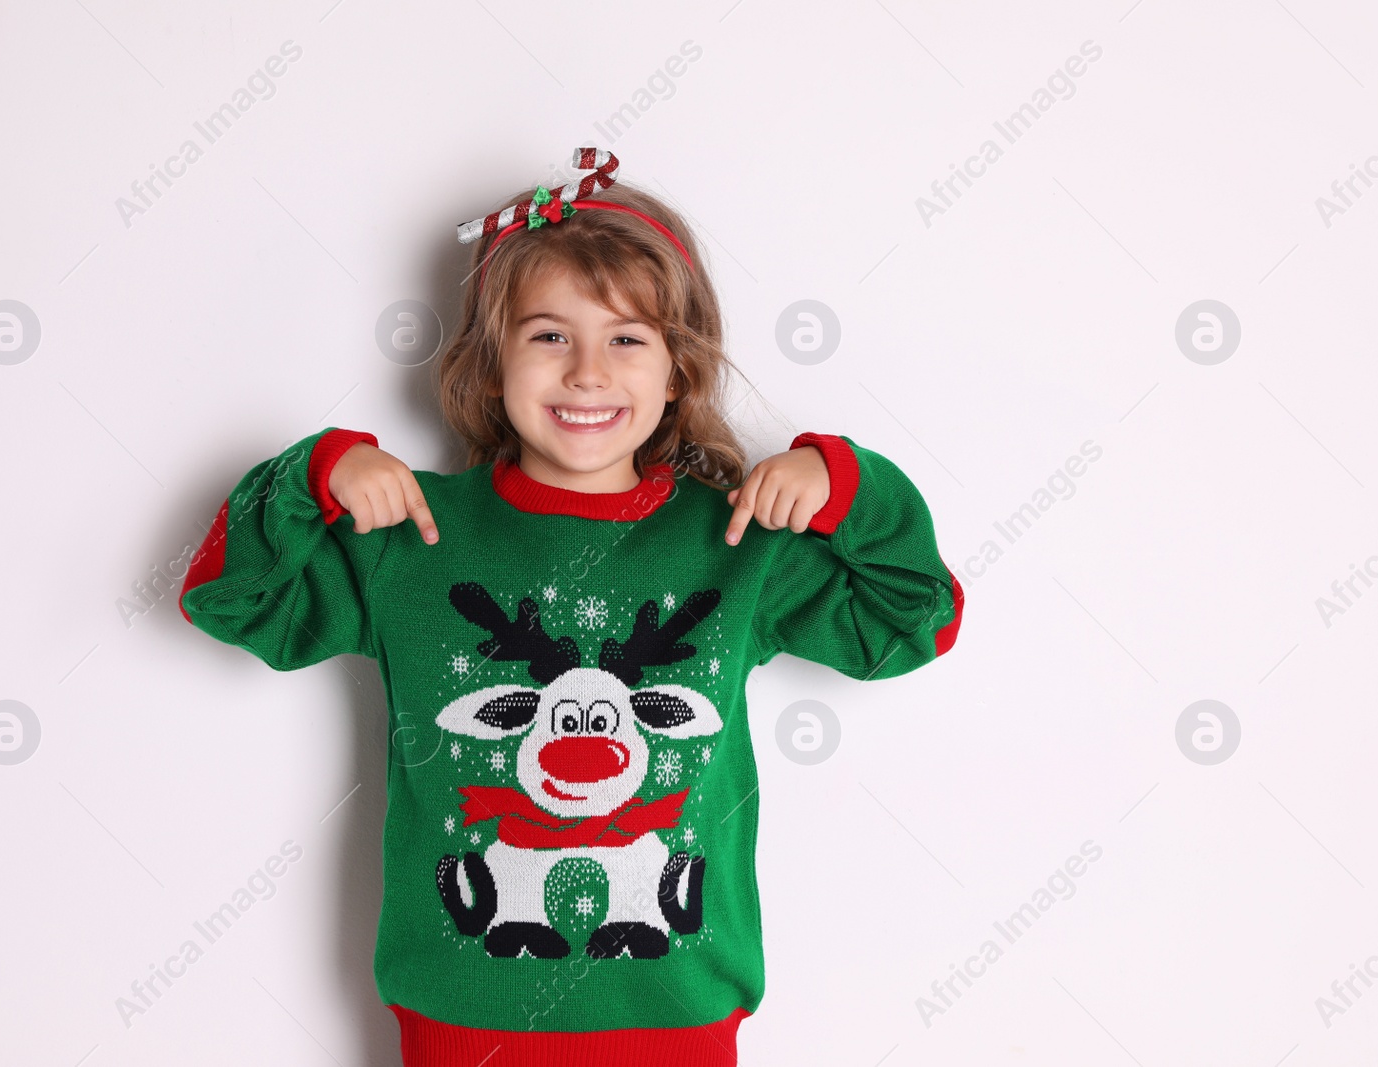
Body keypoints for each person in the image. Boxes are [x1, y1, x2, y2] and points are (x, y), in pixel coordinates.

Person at [178, 148, 964, 1066]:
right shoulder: (410, 537)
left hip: (676, 1018)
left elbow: (917, 620)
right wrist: (315, 474)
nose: (588, 371)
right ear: (492, 362)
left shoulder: (740, 541)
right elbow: (226, 598)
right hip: (463, 1022)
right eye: (550, 335)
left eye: (627, 339)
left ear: (676, 369)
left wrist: (845, 485)